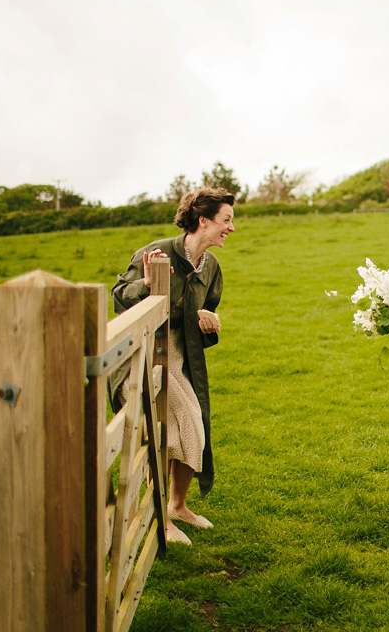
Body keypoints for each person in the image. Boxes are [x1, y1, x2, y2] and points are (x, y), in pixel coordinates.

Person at [111, 187, 235, 544]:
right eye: (226, 220)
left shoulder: (210, 266)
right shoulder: (156, 254)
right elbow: (120, 298)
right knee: (165, 433)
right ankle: (158, 519)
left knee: (192, 427)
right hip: (143, 357)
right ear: (203, 220)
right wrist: (147, 285)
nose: (231, 228)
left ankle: (177, 507)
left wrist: (208, 322)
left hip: (180, 358)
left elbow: (205, 313)